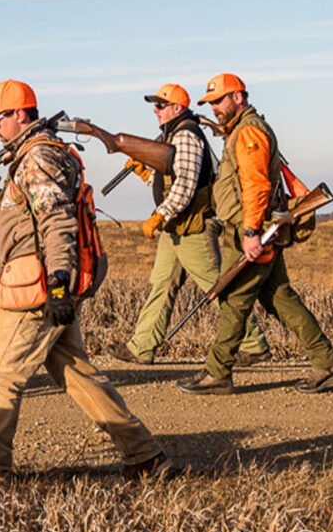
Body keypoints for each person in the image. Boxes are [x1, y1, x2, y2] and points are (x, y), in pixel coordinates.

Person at [0, 79, 169, 479]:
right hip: (51, 280)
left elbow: (58, 225)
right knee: (75, 371)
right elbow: (22, 218)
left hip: (40, 285)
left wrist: (58, 287)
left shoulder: (38, 157)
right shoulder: (34, 155)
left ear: (20, 114)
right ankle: (146, 458)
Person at [177, 72, 333, 395]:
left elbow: (257, 185)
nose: (214, 107)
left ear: (239, 97)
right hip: (255, 226)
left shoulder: (249, 132)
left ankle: (217, 373)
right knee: (280, 298)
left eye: (219, 100)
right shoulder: (241, 130)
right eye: (210, 102)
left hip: (252, 228)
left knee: (234, 300)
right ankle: (327, 363)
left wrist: (250, 231)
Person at [108, 82, 270, 367]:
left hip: (193, 225)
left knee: (217, 285)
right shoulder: (174, 136)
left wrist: (160, 215)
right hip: (177, 225)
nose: (156, 111)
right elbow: (170, 183)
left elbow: (186, 185)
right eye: (155, 106)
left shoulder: (186, 136)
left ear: (178, 108)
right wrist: (146, 173)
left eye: (160, 105)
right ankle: (141, 346)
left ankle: (253, 344)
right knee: (162, 283)